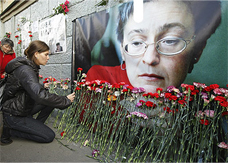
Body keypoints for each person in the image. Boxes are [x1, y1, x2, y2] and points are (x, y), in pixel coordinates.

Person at [86, 0, 221, 93]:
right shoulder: (99, 84)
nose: (150, 59)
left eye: (170, 41)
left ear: (197, 52)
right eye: (137, 42)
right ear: (122, 49)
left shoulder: (206, 116)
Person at [0, 40, 75, 145]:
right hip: (14, 113)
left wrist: (41, 86)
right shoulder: (26, 70)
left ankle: (33, 127)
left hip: (22, 106)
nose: (48, 58)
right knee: (49, 136)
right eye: (46, 54)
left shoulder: (28, 66)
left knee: (50, 102)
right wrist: (65, 100)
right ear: (36, 54)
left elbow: (23, 86)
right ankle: (11, 130)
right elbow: (39, 96)